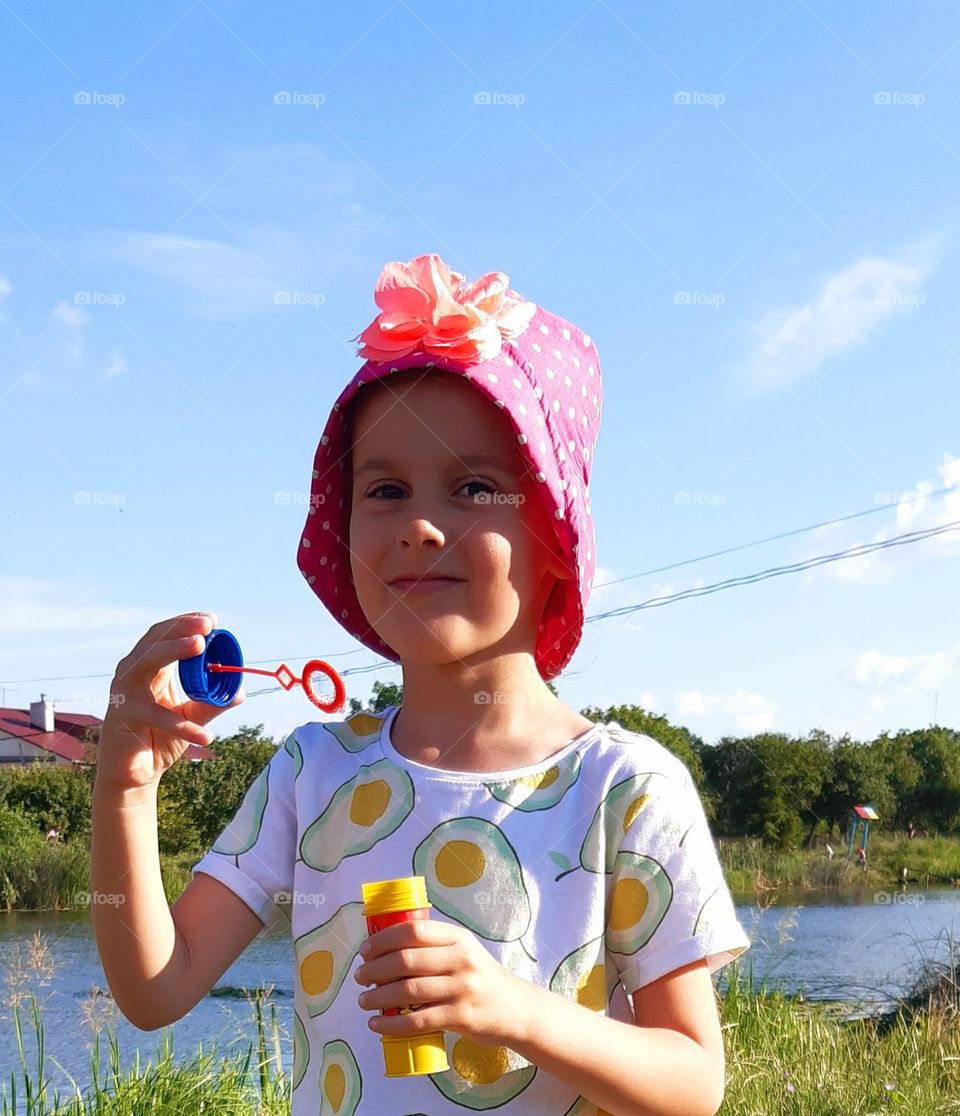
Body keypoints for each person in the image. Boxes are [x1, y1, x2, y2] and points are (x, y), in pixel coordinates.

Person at [90, 253, 752, 1116]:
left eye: (475, 486)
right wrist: (123, 785)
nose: (420, 526)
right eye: (387, 489)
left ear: (556, 533)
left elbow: (694, 1083)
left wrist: (515, 1010)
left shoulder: (624, 791)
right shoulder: (312, 770)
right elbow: (156, 990)